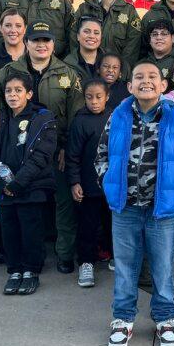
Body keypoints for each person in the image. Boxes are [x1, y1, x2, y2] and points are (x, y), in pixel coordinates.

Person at [95, 61, 174, 346]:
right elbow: (102, 154)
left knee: (163, 266)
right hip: (125, 208)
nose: (146, 81)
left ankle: (166, 319)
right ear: (129, 86)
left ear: (163, 85)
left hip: (162, 210)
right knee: (126, 267)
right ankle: (123, 319)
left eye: (152, 76)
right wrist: (109, 184)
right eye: (138, 76)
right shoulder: (117, 117)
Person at [0, 23, 82, 274]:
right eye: (36, 40)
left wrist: (66, 148)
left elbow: (76, 114)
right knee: (20, 205)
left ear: (54, 44)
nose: (41, 45)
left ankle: (64, 254)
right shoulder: (10, 70)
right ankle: (18, 260)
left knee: (62, 204)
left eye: (46, 40)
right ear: (26, 43)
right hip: (17, 152)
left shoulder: (68, 73)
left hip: (56, 148)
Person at [0, 73, 57, 296]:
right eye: (8, 91)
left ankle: (31, 271)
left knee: (30, 230)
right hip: (4, 189)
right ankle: (15, 270)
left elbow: (41, 157)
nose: (13, 95)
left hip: (30, 187)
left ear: (29, 94)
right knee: (10, 231)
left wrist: (17, 183)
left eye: (18, 90)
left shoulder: (43, 119)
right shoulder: (1, 119)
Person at [66, 78, 113, 288]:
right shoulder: (80, 120)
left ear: (107, 97)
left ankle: (115, 257)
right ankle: (86, 263)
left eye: (98, 97)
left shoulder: (116, 117)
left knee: (114, 225)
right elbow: (73, 155)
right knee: (88, 227)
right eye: (89, 97)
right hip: (88, 186)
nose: (94, 101)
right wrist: (75, 182)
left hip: (112, 185)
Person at [73, 0, 142, 69]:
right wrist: (81, 65)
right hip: (87, 68)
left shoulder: (129, 11)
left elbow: (133, 44)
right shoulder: (84, 8)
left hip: (116, 71)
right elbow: (73, 36)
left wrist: (122, 70)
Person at [64, 16, 104, 86]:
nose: (92, 36)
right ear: (78, 36)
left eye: (96, 33)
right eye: (86, 31)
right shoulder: (66, 66)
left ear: (101, 37)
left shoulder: (111, 63)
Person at [143, 18, 174, 91]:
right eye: (154, 34)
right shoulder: (143, 63)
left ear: (173, 38)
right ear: (149, 40)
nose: (159, 37)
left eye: (164, 34)